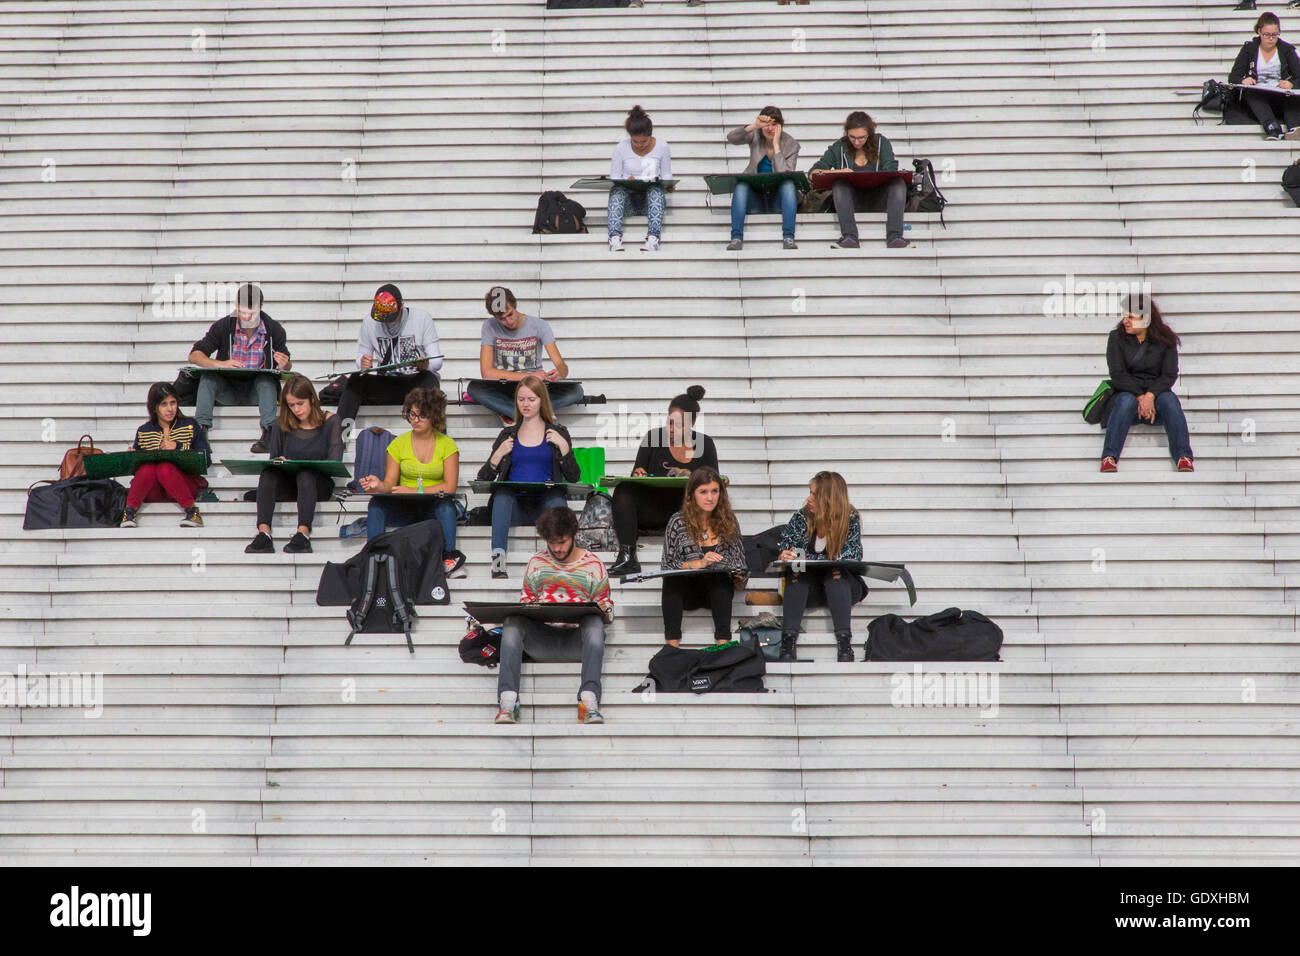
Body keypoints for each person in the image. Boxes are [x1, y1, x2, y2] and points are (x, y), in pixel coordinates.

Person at [495, 507, 614, 725]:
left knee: (594, 622)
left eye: (562, 542)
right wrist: (531, 606)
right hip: (542, 641)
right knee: (512, 623)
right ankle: (508, 701)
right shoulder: (536, 563)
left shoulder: (594, 565)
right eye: (552, 543)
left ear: (574, 535)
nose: (557, 549)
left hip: (577, 642)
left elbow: (607, 611)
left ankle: (588, 701)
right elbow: (526, 600)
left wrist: (602, 608)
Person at [477, 375, 581, 578]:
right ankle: (498, 561)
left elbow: (574, 476)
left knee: (557, 497)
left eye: (531, 399)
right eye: (521, 399)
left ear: (542, 400)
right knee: (502, 494)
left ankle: (558, 559)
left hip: (545, 508)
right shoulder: (507, 435)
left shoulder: (558, 432)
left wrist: (565, 448)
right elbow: (483, 478)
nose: (526, 404)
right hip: (515, 508)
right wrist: (498, 454)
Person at [608, 385, 719, 576]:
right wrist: (639, 472)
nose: (671, 429)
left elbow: (712, 482)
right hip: (653, 509)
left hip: (687, 513)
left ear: (692, 423)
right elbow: (636, 473)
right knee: (624, 489)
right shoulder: (653, 437)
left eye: (678, 425)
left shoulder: (705, 444)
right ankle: (627, 557)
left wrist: (721, 483)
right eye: (669, 422)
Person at [356, 387, 466, 577]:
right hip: (405, 508)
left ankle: (448, 559)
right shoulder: (397, 444)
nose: (415, 420)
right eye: (412, 415)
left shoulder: (447, 444)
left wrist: (414, 490)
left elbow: (449, 487)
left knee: (446, 506)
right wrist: (378, 484)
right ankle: (372, 558)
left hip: (433, 508)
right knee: (376, 504)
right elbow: (390, 483)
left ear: (434, 415)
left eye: (421, 415)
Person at [245, 374, 344, 554]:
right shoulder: (280, 423)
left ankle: (303, 534)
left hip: (317, 484)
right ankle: (264, 534)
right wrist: (282, 462)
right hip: (291, 484)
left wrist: (300, 464)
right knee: (268, 473)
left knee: (305, 473)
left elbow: (335, 463)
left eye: (300, 403)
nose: (296, 409)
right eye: (291, 405)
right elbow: (274, 461)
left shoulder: (332, 421)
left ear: (312, 400)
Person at [188, 283, 291, 454]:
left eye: (253, 313)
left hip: (258, 392)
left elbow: (287, 363)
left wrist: (285, 365)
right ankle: (201, 432)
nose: (248, 318)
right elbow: (194, 355)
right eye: (243, 313)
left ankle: (269, 433)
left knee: (266, 379)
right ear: (236, 306)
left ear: (261, 308)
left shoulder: (274, 329)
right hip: (228, 390)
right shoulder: (223, 326)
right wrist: (220, 364)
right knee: (208, 377)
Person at [776, 471, 868, 663]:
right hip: (809, 587)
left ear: (829, 499)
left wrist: (806, 555)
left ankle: (844, 644)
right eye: (810, 493)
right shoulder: (802, 517)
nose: (809, 499)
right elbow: (788, 546)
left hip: (841, 587)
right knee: (797, 572)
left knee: (835, 572)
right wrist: (786, 554)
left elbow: (853, 554)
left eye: (815, 495)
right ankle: (788, 642)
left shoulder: (849, 517)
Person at [1100, 294, 1194, 474]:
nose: (1125, 321)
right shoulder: (1116, 338)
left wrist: (1151, 395)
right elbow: (1117, 374)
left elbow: (1169, 374)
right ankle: (1109, 457)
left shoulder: (1165, 337)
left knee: (1170, 401)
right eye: (1124, 315)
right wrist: (1141, 397)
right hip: (1128, 394)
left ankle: (1184, 457)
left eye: (1131, 317)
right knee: (1125, 401)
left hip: (1157, 395)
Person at [468, 287, 584, 423]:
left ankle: (513, 412)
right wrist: (529, 375)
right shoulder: (489, 326)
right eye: (502, 319)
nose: (509, 321)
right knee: (474, 389)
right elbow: (487, 373)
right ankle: (534, 413)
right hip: (505, 385)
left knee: (576, 391)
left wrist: (560, 372)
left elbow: (561, 366)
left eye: (510, 314)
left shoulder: (539, 325)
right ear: (495, 317)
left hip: (534, 387)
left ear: (515, 304)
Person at [660, 467, 748, 646]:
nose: (710, 498)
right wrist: (699, 563)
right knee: (672, 580)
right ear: (692, 495)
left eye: (715, 491)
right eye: (703, 492)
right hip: (687, 591)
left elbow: (740, 562)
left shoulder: (729, 520)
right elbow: (667, 565)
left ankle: (723, 643)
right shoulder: (677, 521)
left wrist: (734, 571)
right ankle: (672, 646)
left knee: (720, 579)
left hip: (716, 592)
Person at [335, 284, 443, 430]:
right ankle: (338, 436)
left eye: (392, 317)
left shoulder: (422, 319)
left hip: (414, 383)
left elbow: (437, 361)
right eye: (382, 318)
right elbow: (361, 355)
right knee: (356, 380)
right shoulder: (369, 323)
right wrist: (363, 364)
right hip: (387, 382)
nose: (387, 321)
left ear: (402, 306)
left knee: (430, 380)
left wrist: (425, 365)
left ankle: (438, 437)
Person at [809, 110, 910, 249]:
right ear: (847, 133)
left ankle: (895, 237)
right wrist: (840, 172)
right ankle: (850, 237)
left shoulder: (881, 143)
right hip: (850, 201)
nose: (857, 142)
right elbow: (812, 173)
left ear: (869, 133)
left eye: (861, 137)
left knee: (898, 183)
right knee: (839, 184)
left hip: (879, 199)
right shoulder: (839, 146)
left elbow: (891, 170)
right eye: (852, 137)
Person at [120, 382, 212, 529]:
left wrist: (179, 447)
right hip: (154, 490)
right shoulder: (144, 430)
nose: (170, 409)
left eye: (173, 403)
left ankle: (192, 512)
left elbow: (206, 460)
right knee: (148, 468)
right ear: (154, 407)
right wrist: (132, 457)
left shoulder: (191, 424)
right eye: (164, 404)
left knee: (165, 467)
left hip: (184, 485)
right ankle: (129, 512)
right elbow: (137, 471)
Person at [725, 106, 802, 250]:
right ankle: (736, 238)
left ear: (780, 126)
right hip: (756, 199)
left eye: (774, 125)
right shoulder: (755, 135)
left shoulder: (791, 144)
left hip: (777, 200)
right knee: (741, 185)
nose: (770, 129)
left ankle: (788, 237)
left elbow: (786, 173)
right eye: (767, 125)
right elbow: (731, 138)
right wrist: (754, 126)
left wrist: (776, 146)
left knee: (788, 185)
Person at [607, 105, 672, 252]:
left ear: (650, 135)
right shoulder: (620, 148)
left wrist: (669, 185)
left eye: (644, 141)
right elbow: (615, 178)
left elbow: (667, 174)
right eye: (635, 142)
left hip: (651, 204)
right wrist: (625, 180)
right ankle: (614, 239)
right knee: (617, 190)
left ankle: (653, 239)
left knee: (655, 189)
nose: (640, 145)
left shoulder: (662, 146)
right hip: (628, 203)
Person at [1229, 12, 1300, 139]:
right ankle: (1273, 129)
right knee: (1251, 93)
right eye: (1267, 35)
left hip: (1281, 95)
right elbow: (1234, 76)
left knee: (1291, 94)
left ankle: (1294, 127)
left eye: (1275, 35)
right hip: (1259, 96)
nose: (1271, 39)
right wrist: (1243, 80)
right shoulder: (1248, 49)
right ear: (1259, 32)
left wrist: (1292, 84)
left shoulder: (1286, 50)